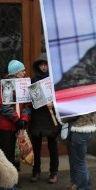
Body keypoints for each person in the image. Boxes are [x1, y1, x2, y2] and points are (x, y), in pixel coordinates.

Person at [27, 53, 61, 183]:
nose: (43, 67)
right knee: (36, 147)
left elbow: (60, 96)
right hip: (37, 117)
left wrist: (53, 103)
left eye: (45, 64)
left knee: (52, 146)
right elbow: (30, 98)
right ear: (38, 66)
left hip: (51, 117)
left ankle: (53, 172)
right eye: (41, 64)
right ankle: (36, 171)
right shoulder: (33, 80)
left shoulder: (55, 80)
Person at [0, 59, 31, 170]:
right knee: (7, 153)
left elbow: (27, 104)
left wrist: (25, 119)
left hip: (20, 125)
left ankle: (16, 175)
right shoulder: (5, 85)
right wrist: (16, 119)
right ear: (15, 73)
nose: (24, 73)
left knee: (18, 152)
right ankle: (8, 179)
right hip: (7, 127)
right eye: (22, 71)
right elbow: (3, 106)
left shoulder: (24, 85)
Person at [64, 112, 96, 190]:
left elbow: (69, 112)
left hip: (78, 129)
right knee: (82, 164)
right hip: (88, 127)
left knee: (79, 165)